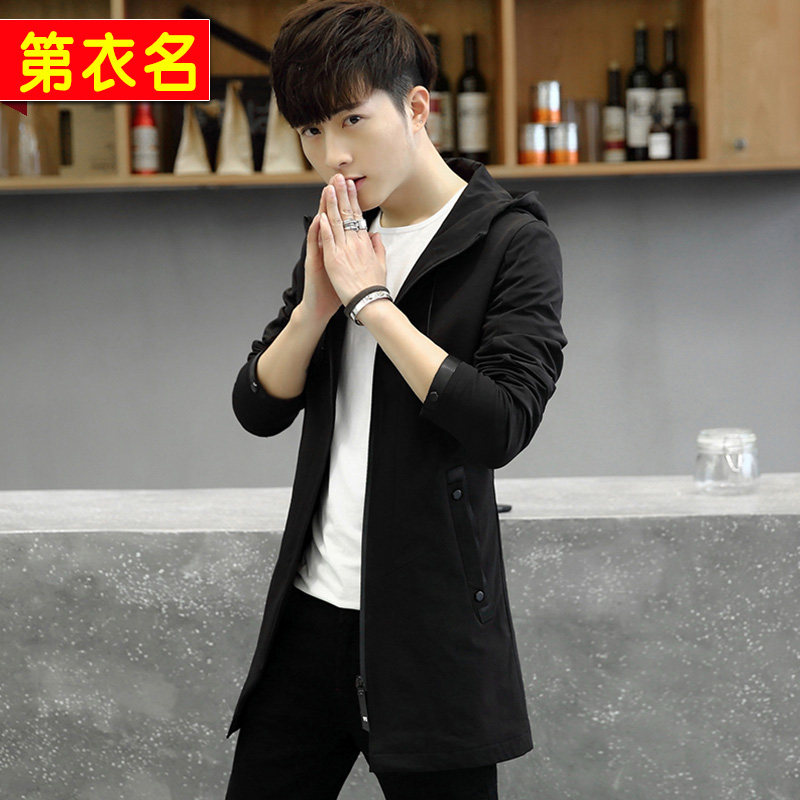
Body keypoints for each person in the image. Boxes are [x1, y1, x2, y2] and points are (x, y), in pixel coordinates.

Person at [225, 1, 567, 798]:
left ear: (416, 107)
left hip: (430, 633)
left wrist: (374, 304)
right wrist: (315, 308)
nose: (334, 154)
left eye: (353, 119)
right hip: (310, 616)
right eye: (312, 130)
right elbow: (257, 407)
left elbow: (501, 423)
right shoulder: (341, 231)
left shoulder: (512, 241)